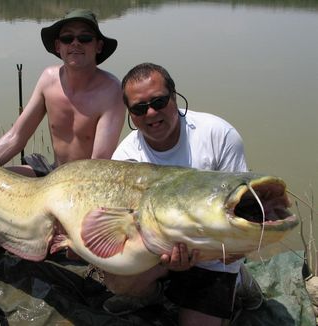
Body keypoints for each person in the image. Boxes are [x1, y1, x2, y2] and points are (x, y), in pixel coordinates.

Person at [103, 62, 262, 325]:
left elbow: (241, 216)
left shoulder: (218, 135)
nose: (151, 113)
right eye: (140, 108)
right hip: (157, 253)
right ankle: (154, 294)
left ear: (174, 97)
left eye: (159, 101)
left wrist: (202, 253)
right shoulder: (126, 157)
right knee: (117, 279)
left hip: (212, 257)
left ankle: (240, 281)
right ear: (130, 114)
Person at [0, 8, 126, 204]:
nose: (75, 43)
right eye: (68, 38)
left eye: (85, 38)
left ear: (98, 46)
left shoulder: (112, 91)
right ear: (58, 46)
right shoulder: (48, 79)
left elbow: (98, 163)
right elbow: (16, 137)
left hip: (90, 185)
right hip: (52, 174)